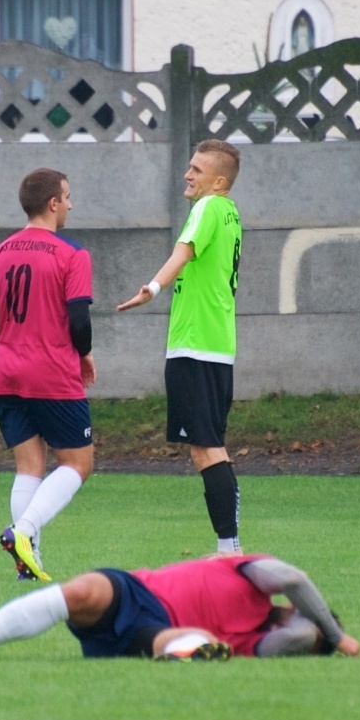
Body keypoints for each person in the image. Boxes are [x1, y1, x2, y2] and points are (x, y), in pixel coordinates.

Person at [117, 140, 245, 553]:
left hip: (195, 345)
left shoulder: (207, 208)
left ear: (219, 181)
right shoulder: (231, 213)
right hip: (216, 343)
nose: (188, 175)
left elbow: (184, 252)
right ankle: (229, 543)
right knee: (208, 446)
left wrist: (152, 288)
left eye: (197, 169)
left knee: (207, 449)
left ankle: (229, 548)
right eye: (189, 167)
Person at [0, 168, 95, 583]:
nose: (71, 204)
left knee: (28, 468)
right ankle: (22, 532)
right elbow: (79, 319)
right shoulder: (72, 253)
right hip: (53, 375)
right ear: (53, 203)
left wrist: (16, 337)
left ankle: (30, 562)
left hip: (7, 375)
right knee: (78, 463)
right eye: (68, 196)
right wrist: (83, 354)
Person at [0, 553, 360, 663]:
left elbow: (301, 638)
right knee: (80, 593)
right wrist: (337, 633)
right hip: (135, 591)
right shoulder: (253, 575)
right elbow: (294, 579)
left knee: (194, 642)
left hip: (153, 631)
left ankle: (186, 654)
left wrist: (321, 639)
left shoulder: (259, 641)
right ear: (298, 607)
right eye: (307, 616)